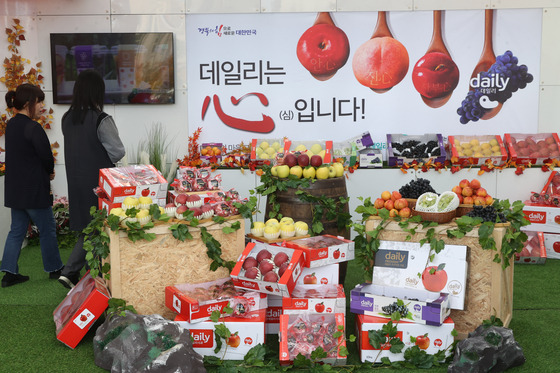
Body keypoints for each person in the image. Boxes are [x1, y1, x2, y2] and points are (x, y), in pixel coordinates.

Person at [58, 70, 125, 289]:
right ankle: (71, 272)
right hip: (99, 184)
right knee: (96, 227)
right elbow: (117, 152)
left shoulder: (66, 118)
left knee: (88, 227)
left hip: (75, 182)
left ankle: (89, 276)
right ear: (98, 92)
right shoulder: (101, 119)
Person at [1, 84, 64, 287]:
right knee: (47, 229)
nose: (41, 107)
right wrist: (50, 172)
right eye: (39, 102)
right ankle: (55, 269)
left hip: (15, 190)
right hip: (34, 190)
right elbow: (46, 156)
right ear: (29, 103)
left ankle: (9, 273)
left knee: (16, 230)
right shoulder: (33, 128)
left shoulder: (11, 125)